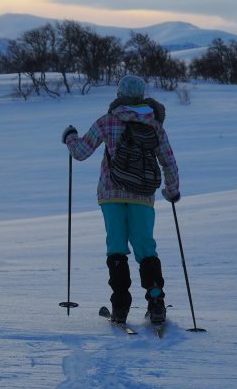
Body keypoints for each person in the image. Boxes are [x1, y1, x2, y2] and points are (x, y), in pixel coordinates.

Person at [61, 75, 180, 325]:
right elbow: (168, 161)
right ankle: (156, 301)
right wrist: (172, 190)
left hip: (110, 194)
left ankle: (120, 305)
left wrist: (70, 137)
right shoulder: (155, 125)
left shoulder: (108, 121)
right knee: (146, 247)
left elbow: (81, 152)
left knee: (116, 248)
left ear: (119, 94)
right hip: (144, 197)